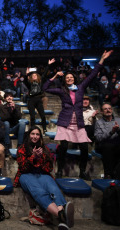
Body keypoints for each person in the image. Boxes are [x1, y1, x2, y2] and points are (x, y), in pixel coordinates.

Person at [43, 50, 113, 179]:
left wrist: (102, 59)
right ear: (65, 80)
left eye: (71, 77)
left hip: (78, 122)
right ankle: (59, 171)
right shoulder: (61, 90)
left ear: (74, 79)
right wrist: (55, 76)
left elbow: (92, 74)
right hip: (65, 121)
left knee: (85, 148)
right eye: (67, 77)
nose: (69, 79)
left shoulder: (80, 88)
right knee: (63, 147)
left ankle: (82, 172)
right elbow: (45, 88)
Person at [13, 126, 74, 230]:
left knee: (54, 189)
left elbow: (49, 168)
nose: (35, 136)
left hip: (42, 174)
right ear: (28, 135)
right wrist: (33, 157)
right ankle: (61, 216)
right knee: (39, 191)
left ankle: (62, 217)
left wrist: (40, 158)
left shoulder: (44, 149)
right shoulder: (21, 148)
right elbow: (23, 167)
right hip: (25, 175)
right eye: (33, 134)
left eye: (37, 134)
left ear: (40, 137)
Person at [94, 103, 120, 179]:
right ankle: (108, 174)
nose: (108, 110)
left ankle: (117, 174)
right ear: (102, 112)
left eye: (109, 108)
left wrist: (118, 130)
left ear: (112, 110)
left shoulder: (119, 120)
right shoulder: (98, 123)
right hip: (104, 145)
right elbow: (98, 138)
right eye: (105, 109)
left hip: (117, 143)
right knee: (108, 146)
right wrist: (111, 132)